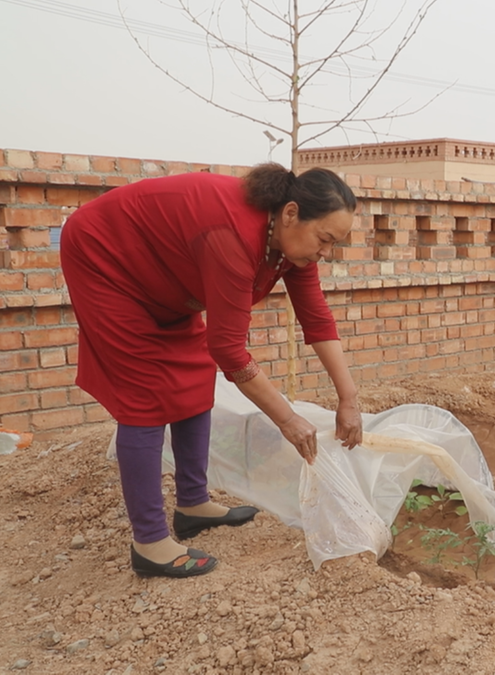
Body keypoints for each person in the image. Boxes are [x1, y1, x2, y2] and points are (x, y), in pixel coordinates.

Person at [60, 163, 364, 578]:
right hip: (108, 259)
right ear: (291, 213)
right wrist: (287, 419)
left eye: (332, 244)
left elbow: (316, 318)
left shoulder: (290, 243)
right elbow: (229, 349)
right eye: (324, 239)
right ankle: (149, 542)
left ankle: (193, 503)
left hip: (165, 276)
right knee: (144, 396)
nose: (324, 252)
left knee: (193, 374)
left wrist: (348, 398)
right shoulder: (232, 235)